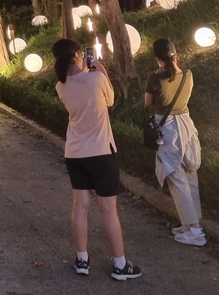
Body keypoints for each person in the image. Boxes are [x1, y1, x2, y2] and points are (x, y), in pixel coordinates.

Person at [52, 38, 141, 281]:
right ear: (80, 54)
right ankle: (120, 265)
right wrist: (101, 69)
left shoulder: (61, 86)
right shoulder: (96, 78)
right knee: (108, 209)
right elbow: (110, 101)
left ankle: (82, 259)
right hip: (101, 152)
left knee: (80, 205)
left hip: (75, 153)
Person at [145, 38, 204, 246]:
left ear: (157, 57)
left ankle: (195, 231)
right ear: (175, 52)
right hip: (187, 124)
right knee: (190, 174)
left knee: (176, 177)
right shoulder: (188, 74)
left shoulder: (154, 78)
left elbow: (148, 103)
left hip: (167, 128)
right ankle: (192, 223)